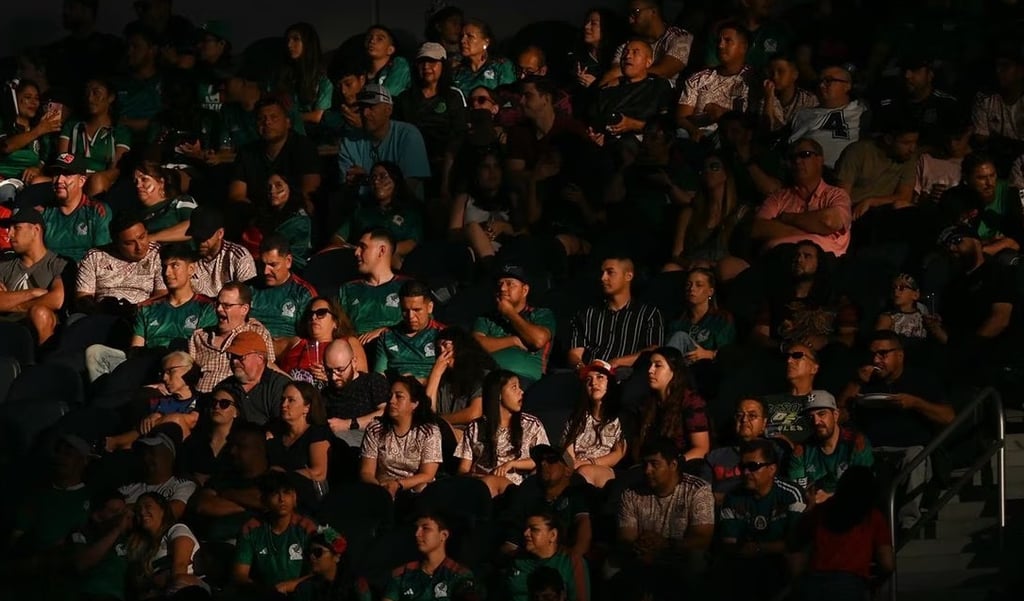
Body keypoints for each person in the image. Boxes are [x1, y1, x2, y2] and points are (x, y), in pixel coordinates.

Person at [840, 331, 953, 530]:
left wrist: (916, 403)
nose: (876, 360)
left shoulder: (920, 378)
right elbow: (837, 415)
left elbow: (948, 417)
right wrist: (856, 383)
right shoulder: (866, 380)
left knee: (915, 455)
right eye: (873, 355)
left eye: (883, 354)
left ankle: (908, 525)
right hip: (871, 448)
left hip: (909, 447)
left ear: (899, 355)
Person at [85, 243, 215, 382]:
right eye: (164, 266)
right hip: (147, 365)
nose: (167, 273)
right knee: (95, 353)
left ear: (191, 269)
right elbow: (135, 350)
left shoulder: (206, 307)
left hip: (182, 370)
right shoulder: (148, 307)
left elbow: (202, 353)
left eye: (174, 265)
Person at [612, 437, 714, 600]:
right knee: (610, 567)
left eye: (654, 464)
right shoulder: (631, 493)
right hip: (642, 555)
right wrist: (641, 547)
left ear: (673, 465)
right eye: (645, 464)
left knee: (696, 560)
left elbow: (702, 538)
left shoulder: (697, 490)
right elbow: (626, 537)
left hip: (679, 554)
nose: (647, 470)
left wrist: (665, 544)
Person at [715, 438, 805, 600]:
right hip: (747, 563)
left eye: (753, 467)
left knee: (795, 557)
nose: (746, 473)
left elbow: (795, 543)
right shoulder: (733, 497)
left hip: (781, 561)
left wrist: (759, 547)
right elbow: (729, 544)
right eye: (743, 467)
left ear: (771, 469)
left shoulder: (791, 493)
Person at [790, 467, 894, 601]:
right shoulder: (873, 517)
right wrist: (875, 583)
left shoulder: (822, 511)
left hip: (813, 583)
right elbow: (887, 563)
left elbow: (796, 538)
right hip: (849, 585)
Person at [937, 226, 1017, 376]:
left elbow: (1000, 319)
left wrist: (969, 346)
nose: (952, 248)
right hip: (960, 358)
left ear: (977, 242)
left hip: (996, 356)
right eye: (947, 246)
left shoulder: (998, 273)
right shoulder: (953, 285)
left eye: (957, 240)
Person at [455, 369, 549, 497]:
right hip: (481, 487)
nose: (521, 392)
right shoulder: (476, 427)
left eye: (520, 387)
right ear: (498, 394)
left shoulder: (531, 425)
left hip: (514, 490)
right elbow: (463, 469)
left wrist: (511, 464)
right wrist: (480, 476)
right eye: (514, 387)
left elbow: (544, 460)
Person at [751, 138, 853, 256]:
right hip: (779, 261)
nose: (798, 161)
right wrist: (814, 235)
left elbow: (829, 221)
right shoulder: (779, 197)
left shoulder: (836, 195)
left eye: (805, 155)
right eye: (793, 158)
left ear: (820, 160)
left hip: (823, 265)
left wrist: (786, 218)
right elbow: (757, 228)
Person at [394, 42, 468, 201]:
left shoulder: (453, 96)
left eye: (433, 62)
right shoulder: (404, 98)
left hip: (446, 163)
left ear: (443, 65)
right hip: (411, 165)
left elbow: (459, 134)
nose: (426, 66)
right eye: (422, 62)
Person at [337, 83, 431, 200]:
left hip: (403, 211)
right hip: (364, 211)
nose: (365, 113)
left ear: (388, 110)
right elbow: (345, 189)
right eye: (362, 108)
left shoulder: (408, 135)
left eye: (371, 107)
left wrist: (367, 180)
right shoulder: (349, 141)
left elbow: (409, 187)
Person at [567, 257, 664, 370]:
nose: (603, 278)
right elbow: (574, 354)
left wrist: (615, 363)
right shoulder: (587, 313)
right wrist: (583, 369)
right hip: (588, 375)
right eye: (602, 273)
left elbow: (653, 350)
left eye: (610, 272)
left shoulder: (648, 314)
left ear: (628, 276)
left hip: (627, 375)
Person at [228, 97, 322, 212]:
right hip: (256, 218)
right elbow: (237, 195)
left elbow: (310, 194)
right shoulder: (247, 152)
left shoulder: (304, 148)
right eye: (261, 118)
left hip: (294, 218)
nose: (267, 122)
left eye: (274, 117)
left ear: (287, 122)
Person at [233, 472, 318, 595]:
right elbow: (240, 575)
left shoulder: (307, 527)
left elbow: (320, 573)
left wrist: (289, 586)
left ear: (294, 498)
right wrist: (267, 593)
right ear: (264, 500)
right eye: (275, 494)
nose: (282, 499)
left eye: (286, 493)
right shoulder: (251, 529)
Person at [502, 444, 594, 558]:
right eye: (540, 460)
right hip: (529, 559)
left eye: (551, 459)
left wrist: (572, 559)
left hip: (566, 558)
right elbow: (511, 539)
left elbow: (583, 524)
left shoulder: (578, 490)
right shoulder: (528, 489)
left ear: (568, 471)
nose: (543, 463)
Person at [329, 161, 424, 270]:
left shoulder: (410, 212)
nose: (376, 181)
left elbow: (413, 243)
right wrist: (358, 250)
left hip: (397, 265)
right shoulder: (361, 212)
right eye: (373, 178)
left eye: (383, 176)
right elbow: (337, 238)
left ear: (395, 180)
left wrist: (381, 251)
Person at [359, 376, 443, 497]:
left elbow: (428, 474)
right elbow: (366, 472)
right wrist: (381, 491)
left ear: (414, 403)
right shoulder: (375, 429)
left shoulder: (429, 432)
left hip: (414, 490)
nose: (392, 401)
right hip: (381, 488)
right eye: (390, 396)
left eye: (399, 396)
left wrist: (398, 485)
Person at [102, 351, 203, 452]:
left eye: (170, 371)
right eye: (163, 373)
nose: (164, 378)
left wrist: (160, 418)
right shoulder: (160, 401)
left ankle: (115, 443)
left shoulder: (200, 400)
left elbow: (191, 422)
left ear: (189, 369)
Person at [10, 434, 93, 554]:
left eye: (68, 454)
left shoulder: (91, 497)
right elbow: (16, 536)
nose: (60, 458)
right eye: (58, 452)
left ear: (85, 460)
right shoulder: (38, 494)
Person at [473, 265, 556, 385]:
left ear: (525, 290)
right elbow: (475, 346)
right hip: (488, 378)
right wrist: (514, 341)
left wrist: (509, 312)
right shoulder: (487, 318)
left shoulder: (541, 314)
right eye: (500, 283)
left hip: (526, 382)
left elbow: (538, 340)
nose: (502, 288)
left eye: (510, 284)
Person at [193, 420, 271, 545]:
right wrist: (251, 510)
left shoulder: (274, 478)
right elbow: (203, 505)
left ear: (259, 449)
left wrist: (226, 495)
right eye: (232, 445)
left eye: (241, 446)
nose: (233, 451)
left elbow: (269, 501)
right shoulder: (222, 477)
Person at [188, 282, 276, 393]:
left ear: (244, 309)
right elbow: (188, 374)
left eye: (226, 305)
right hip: (199, 399)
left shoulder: (257, 332)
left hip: (234, 400)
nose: (219, 309)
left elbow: (267, 369)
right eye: (218, 304)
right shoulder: (199, 336)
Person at [788, 391, 874, 503]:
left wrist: (831, 497)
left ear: (835, 415)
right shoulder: (801, 450)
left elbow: (865, 490)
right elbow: (797, 493)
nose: (816, 421)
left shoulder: (856, 443)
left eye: (822, 414)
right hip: (815, 511)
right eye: (810, 417)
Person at [675, 21, 753, 141]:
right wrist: (694, 131)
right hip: (698, 138)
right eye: (718, 41)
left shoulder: (753, 80)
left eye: (728, 41)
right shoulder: (699, 78)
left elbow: (754, 120)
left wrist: (722, 114)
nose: (720, 45)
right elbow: (682, 118)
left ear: (743, 47)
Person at [75, 213, 166, 314]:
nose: (139, 247)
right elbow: (83, 298)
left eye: (142, 237)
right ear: (116, 243)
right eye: (129, 243)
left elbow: (162, 296)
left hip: (143, 314)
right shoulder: (95, 256)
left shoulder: (156, 253)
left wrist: (136, 309)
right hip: (103, 313)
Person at [0, 208, 67, 345]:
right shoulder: (4, 264)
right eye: (9, 228)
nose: (9, 234)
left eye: (16, 228)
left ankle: (44, 361)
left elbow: (57, 299)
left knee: (40, 313)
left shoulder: (58, 263)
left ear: (36, 230)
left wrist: (15, 305)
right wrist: (33, 293)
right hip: (6, 326)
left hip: (38, 325)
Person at [668, 155, 747, 268]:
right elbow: (676, 255)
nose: (708, 171)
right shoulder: (690, 213)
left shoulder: (739, 212)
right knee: (670, 268)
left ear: (726, 174)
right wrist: (692, 264)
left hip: (724, 270)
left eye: (714, 167)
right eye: (704, 168)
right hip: (694, 271)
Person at [449, 145, 524, 265]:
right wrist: (478, 230)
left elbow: (524, 233)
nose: (492, 172)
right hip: (472, 257)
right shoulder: (464, 198)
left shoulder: (511, 198)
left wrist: (505, 227)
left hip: (506, 254)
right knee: (473, 227)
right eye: (486, 167)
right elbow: (452, 235)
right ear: (476, 171)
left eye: (496, 166)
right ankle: (492, 270)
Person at [637, 347, 710, 466]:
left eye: (658, 365)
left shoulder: (691, 401)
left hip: (682, 466)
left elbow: (701, 448)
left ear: (674, 370)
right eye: (650, 365)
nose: (650, 370)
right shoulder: (649, 403)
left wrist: (674, 464)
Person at [57, 77, 131, 196]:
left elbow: (115, 171)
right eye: (87, 93)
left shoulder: (119, 131)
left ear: (111, 97)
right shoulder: (73, 125)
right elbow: (61, 160)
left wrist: (90, 177)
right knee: (37, 181)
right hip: (71, 179)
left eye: (96, 93)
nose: (90, 98)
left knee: (96, 182)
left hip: (99, 181)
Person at [380, 512, 477, 601]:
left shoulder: (459, 575)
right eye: (416, 529)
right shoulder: (402, 573)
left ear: (443, 535)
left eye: (425, 528)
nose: (417, 534)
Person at [836, 121, 920, 222]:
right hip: (854, 211)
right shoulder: (858, 152)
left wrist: (871, 202)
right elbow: (842, 196)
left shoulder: (908, 158)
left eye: (915, 142)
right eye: (906, 143)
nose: (912, 148)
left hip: (884, 211)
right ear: (888, 139)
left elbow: (904, 196)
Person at [125, 492, 203, 599]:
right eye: (138, 510)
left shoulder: (177, 529)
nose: (142, 512)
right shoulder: (142, 546)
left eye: (148, 507)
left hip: (185, 589)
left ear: (163, 510)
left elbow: (180, 565)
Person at [562, 360, 626, 488]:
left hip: (605, 469)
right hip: (575, 467)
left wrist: (589, 462)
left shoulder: (620, 417)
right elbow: (567, 448)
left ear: (610, 382)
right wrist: (572, 464)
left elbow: (618, 454)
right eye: (588, 380)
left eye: (600, 377)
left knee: (585, 471)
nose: (593, 383)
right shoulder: (577, 417)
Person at [600, 0, 693, 86]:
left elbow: (664, 71)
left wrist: (627, 75)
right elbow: (613, 73)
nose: (630, 20)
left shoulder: (679, 37)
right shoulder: (627, 44)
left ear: (653, 11)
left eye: (636, 12)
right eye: (629, 14)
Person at [787, 65, 865, 168]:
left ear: (847, 86)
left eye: (828, 81)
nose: (821, 85)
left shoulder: (861, 111)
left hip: (847, 172)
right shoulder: (803, 114)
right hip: (809, 171)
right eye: (819, 82)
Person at [40, 151, 112, 262]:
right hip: (49, 272)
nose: (59, 180)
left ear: (81, 181)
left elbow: (102, 257)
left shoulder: (97, 211)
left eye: (67, 174)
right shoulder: (44, 211)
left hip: (85, 271)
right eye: (56, 174)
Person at [250, 234, 317, 353]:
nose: (266, 271)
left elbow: (312, 337)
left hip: (286, 356)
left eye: (273, 265)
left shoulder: (303, 293)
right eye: (262, 264)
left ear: (288, 261)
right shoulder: (248, 288)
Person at [503, 510, 590, 601]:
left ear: (553, 535)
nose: (526, 534)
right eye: (525, 529)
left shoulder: (571, 562)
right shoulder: (517, 560)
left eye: (534, 529)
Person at [278, 297, 368, 385]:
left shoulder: (348, 342)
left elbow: (362, 381)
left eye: (321, 313)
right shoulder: (295, 342)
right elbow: (266, 352)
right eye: (310, 314)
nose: (313, 317)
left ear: (335, 322)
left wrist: (332, 377)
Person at [338, 228, 408, 340]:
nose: (356, 252)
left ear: (382, 251)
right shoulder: (348, 289)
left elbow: (423, 327)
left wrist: (386, 331)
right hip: (356, 353)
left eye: (363, 247)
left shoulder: (407, 286)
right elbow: (339, 330)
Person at [211, 329, 291, 426]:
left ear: (260, 358)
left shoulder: (280, 386)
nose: (234, 362)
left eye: (241, 357)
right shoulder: (224, 387)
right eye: (232, 356)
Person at [426, 326, 496, 436]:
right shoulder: (441, 380)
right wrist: (436, 374)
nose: (442, 352)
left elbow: (474, 413)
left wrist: (439, 421)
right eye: (439, 349)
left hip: (471, 436)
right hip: (441, 434)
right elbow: (428, 412)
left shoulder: (482, 375)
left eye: (446, 346)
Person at [704, 398, 777, 503]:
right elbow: (702, 495)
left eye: (752, 416)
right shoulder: (715, 456)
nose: (744, 420)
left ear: (764, 423)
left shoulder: (774, 453)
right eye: (739, 415)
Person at [320, 338, 390, 446]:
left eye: (340, 370)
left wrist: (349, 424)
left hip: (368, 440)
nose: (334, 377)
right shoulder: (325, 393)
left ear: (353, 362)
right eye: (329, 371)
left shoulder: (372, 381)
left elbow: (386, 412)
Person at [373, 279, 445, 379]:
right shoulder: (388, 336)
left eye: (417, 310)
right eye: (405, 310)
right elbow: (379, 377)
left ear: (430, 307)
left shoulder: (444, 335)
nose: (410, 316)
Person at [268, 382, 331, 496]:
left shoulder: (317, 433)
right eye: (283, 399)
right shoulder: (274, 433)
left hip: (305, 494)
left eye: (291, 400)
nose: (283, 405)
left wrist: (285, 476)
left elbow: (319, 472)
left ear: (307, 407)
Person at [118, 429, 197, 519]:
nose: (146, 458)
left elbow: (173, 512)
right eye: (144, 453)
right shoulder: (128, 488)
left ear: (169, 455)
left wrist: (129, 509)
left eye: (152, 452)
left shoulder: (183, 485)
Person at [69, 489, 132, 601]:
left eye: (123, 512)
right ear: (97, 515)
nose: (120, 517)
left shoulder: (127, 537)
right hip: (89, 595)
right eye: (115, 511)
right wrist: (117, 530)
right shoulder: (83, 532)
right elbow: (81, 563)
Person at [242, 173, 313, 269]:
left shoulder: (300, 221)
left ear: (290, 188)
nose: (272, 191)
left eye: (278, 186)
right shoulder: (261, 217)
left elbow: (298, 257)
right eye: (269, 187)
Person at [665, 268, 736, 363]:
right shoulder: (677, 319)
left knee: (680, 336)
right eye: (688, 285)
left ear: (710, 291)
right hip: (682, 366)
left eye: (699, 285)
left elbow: (729, 352)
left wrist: (709, 354)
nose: (692, 289)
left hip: (707, 367)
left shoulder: (722, 318)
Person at [186, 206, 258, 297]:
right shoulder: (187, 258)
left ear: (220, 233)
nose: (200, 241)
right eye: (196, 236)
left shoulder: (239, 256)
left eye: (205, 236)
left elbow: (247, 297)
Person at [179, 385, 243, 485]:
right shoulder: (194, 442)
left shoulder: (241, 446)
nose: (217, 406)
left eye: (224, 403)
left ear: (236, 412)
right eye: (213, 402)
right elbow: (181, 472)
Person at [0, 78, 59, 182]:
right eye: (28, 97)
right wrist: (37, 131)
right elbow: (5, 147)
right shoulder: (4, 123)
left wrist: (37, 169)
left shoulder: (40, 126)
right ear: (14, 100)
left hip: (28, 183)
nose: (34, 102)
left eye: (36, 98)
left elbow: (44, 160)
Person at [274, 23, 332, 127]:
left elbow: (317, 116)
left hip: (314, 133)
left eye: (296, 39)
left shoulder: (322, 77)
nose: (289, 45)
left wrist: (287, 119)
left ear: (307, 43)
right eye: (288, 40)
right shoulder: (284, 73)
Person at [292, 525, 364, 601]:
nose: (311, 556)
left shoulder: (355, 587)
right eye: (309, 552)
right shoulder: (306, 589)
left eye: (318, 552)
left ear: (336, 557)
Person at [132, 161, 197, 243]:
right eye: (135, 181)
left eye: (144, 179)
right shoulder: (136, 216)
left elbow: (194, 226)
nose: (138, 185)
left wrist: (150, 238)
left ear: (161, 182)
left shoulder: (180, 201)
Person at [117, 24, 164, 134]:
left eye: (136, 46)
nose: (129, 52)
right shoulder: (117, 83)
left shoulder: (168, 82)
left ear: (153, 49)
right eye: (128, 47)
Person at [451, 18, 515, 94]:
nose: (462, 41)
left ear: (486, 42)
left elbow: (508, 97)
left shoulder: (501, 66)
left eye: (470, 36)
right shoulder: (458, 72)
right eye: (462, 36)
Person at [759, 53, 817, 133]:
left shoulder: (809, 100)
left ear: (794, 74)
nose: (775, 77)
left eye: (781, 72)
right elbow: (765, 129)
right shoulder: (766, 97)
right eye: (771, 72)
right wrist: (769, 98)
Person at [365, 25, 411, 98]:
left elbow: (389, 93)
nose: (372, 41)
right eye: (369, 38)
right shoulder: (361, 72)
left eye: (379, 39)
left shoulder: (399, 65)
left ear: (390, 50)